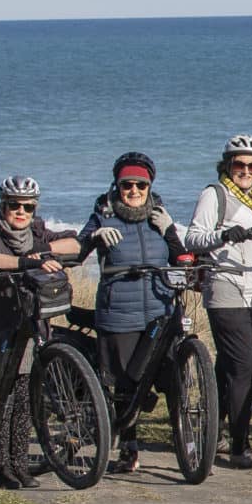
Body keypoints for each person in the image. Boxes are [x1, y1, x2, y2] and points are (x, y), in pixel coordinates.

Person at [77, 152, 198, 475]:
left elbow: (183, 257)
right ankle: (128, 449)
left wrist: (171, 230)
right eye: (127, 185)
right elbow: (77, 252)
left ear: (149, 186)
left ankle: (188, 447)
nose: (133, 191)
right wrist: (94, 236)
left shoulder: (158, 215)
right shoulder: (103, 214)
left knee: (174, 383)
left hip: (160, 310)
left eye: (140, 185)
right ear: (117, 186)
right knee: (125, 385)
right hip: (119, 313)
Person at [0, 175, 82, 488]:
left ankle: (20, 466)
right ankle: (2, 470)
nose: (20, 212)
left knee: (27, 397)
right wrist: (24, 263)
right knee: (2, 398)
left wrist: (42, 251)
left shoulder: (37, 231)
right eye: (13, 206)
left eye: (26, 207)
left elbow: (75, 242)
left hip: (27, 328)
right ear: (2, 206)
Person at [189, 134, 252, 471]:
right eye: (239, 164)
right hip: (227, 291)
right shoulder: (215, 195)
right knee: (245, 368)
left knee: (228, 368)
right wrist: (223, 236)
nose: (246, 170)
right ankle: (239, 447)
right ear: (227, 165)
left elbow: (251, 245)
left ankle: (212, 432)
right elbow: (193, 237)